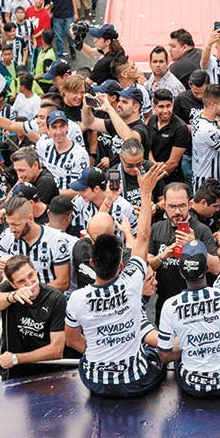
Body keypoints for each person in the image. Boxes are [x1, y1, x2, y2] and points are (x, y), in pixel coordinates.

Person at [65, 165, 167, 397]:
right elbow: (143, 237)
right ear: (121, 266)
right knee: (156, 357)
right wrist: (146, 192)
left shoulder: (77, 299)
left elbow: (72, 340)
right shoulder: (132, 280)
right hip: (135, 381)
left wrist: (100, 354)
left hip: (95, 381)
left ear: (93, 263)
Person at [156, 240, 220, 396]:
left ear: (181, 272)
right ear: (207, 268)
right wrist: (218, 344)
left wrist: (192, 348)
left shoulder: (170, 306)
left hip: (191, 386)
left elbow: (164, 356)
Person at [148, 182, 220, 321]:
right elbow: (148, 266)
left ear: (190, 204)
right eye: (172, 206)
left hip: (197, 306)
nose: (177, 211)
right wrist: (163, 256)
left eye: (182, 206)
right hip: (166, 304)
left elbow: (216, 268)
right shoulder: (157, 228)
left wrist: (195, 245)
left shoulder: (202, 230)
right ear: (164, 205)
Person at [0, 255, 68, 380]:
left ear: (35, 271)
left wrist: (16, 358)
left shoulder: (56, 299)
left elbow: (56, 350)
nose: (29, 283)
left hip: (47, 372)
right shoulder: (9, 290)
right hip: (13, 373)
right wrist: (13, 296)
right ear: (12, 284)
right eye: (21, 281)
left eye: (31, 275)